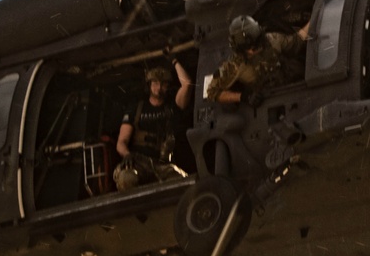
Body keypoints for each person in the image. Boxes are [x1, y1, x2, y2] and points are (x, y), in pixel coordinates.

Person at [113, 61, 192, 191]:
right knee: (127, 178)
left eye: (163, 84)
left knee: (183, 182)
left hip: (162, 164)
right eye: (155, 83)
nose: (159, 88)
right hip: (138, 162)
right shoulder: (137, 109)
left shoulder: (172, 107)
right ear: (149, 85)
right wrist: (127, 155)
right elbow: (121, 142)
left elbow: (187, 84)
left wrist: (175, 61)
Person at [206, 15, 309, 105]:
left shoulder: (272, 40)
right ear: (240, 49)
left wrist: (314, 18)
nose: (254, 50)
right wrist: (243, 97)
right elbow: (212, 92)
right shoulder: (234, 65)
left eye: (257, 45)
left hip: (290, 86)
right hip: (267, 99)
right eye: (249, 48)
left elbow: (296, 41)